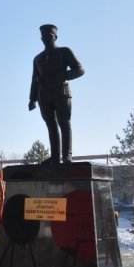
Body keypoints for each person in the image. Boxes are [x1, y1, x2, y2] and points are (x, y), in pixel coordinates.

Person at [28, 24, 85, 164]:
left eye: (49, 36)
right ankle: (55, 157)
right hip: (44, 95)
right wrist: (32, 99)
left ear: (55, 37)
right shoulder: (38, 58)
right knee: (51, 125)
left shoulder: (64, 52)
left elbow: (80, 69)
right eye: (43, 37)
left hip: (61, 92)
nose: (45, 39)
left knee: (64, 123)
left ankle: (67, 156)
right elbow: (34, 79)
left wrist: (64, 75)